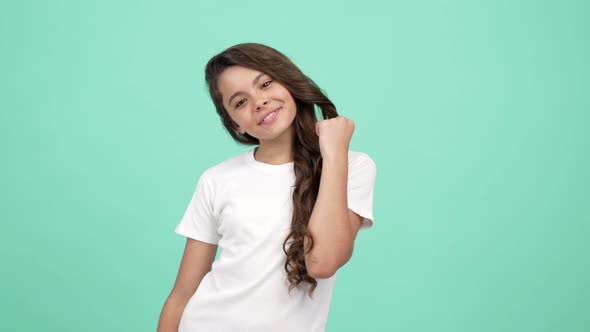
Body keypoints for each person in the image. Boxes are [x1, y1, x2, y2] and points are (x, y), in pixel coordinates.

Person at [157, 42, 377, 332]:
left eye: (265, 83)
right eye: (240, 102)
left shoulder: (352, 166)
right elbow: (181, 296)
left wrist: (334, 153)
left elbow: (322, 262)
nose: (258, 101)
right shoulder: (217, 179)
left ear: (288, 82)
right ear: (236, 124)